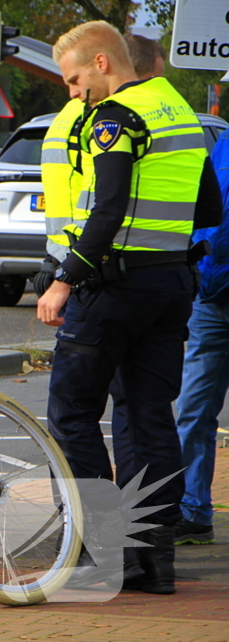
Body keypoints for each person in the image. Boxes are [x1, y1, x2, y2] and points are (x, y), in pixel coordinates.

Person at [37, 21, 222, 595]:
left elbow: (108, 208)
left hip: (112, 288)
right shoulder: (180, 113)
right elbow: (210, 206)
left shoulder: (117, 116)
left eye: (73, 81)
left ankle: (102, 551)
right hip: (170, 285)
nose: (72, 94)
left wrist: (64, 280)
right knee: (149, 416)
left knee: (71, 413)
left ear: (100, 63)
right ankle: (153, 560)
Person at [173, 128, 229, 546]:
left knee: (195, 411)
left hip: (212, 290)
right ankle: (193, 511)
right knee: (193, 410)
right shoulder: (223, 145)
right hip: (212, 294)